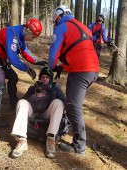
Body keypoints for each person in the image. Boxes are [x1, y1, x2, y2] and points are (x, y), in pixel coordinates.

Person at [48, 5, 99, 155]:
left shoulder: (62, 27)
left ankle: (79, 146)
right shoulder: (83, 26)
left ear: (59, 16)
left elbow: (53, 54)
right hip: (93, 70)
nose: (55, 22)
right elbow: (78, 50)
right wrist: (64, 66)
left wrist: (52, 67)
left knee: (73, 106)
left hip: (80, 72)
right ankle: (70, 132)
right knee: (73, 104)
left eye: (55, 19)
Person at [0, 18, 47, 130]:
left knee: (13, 77)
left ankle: (13, 103)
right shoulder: (12, 34)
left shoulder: (20, 35)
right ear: (29, 31)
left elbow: (24, 51)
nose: (33, 40)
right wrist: (27, 69)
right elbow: (12, 58)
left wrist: (36, 61)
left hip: (0, 59)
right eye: (33, 37)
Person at [11, 66, 66, 159]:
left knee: (58, 103)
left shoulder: (56, 88)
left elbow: (64, 102)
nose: (44, 79)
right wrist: (35, 96)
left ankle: (51, 139)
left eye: (47, 77)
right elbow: (25, 99)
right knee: (21, 102)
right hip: (34, 111)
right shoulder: (33, 87)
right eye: (43, 77)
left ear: (50, 78)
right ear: (40, 78)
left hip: (47, 113)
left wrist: (48, 96)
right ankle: (22, 140)